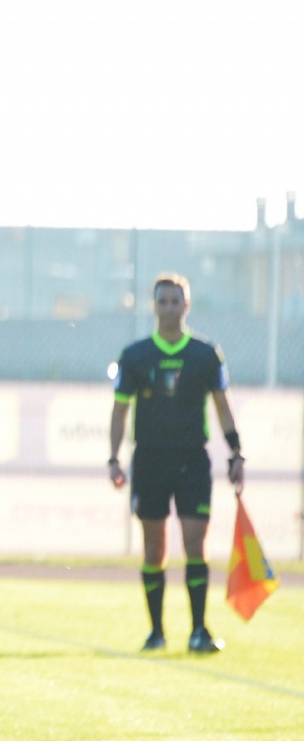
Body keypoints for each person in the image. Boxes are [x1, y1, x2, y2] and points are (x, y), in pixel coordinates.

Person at [108, 273, 244, 653]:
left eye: (175, 301)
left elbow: (222, 406)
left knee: (195, 543)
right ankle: (156, 632)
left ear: (187, 305)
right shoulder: (135, 356)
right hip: (149, 459)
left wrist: (236, 452)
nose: (169, 308)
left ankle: (199, 631)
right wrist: (114, 458)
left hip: (191, 460)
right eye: (162, 301)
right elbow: (119, 412)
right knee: (154, 548)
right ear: (154, 306)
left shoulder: (204, 354)